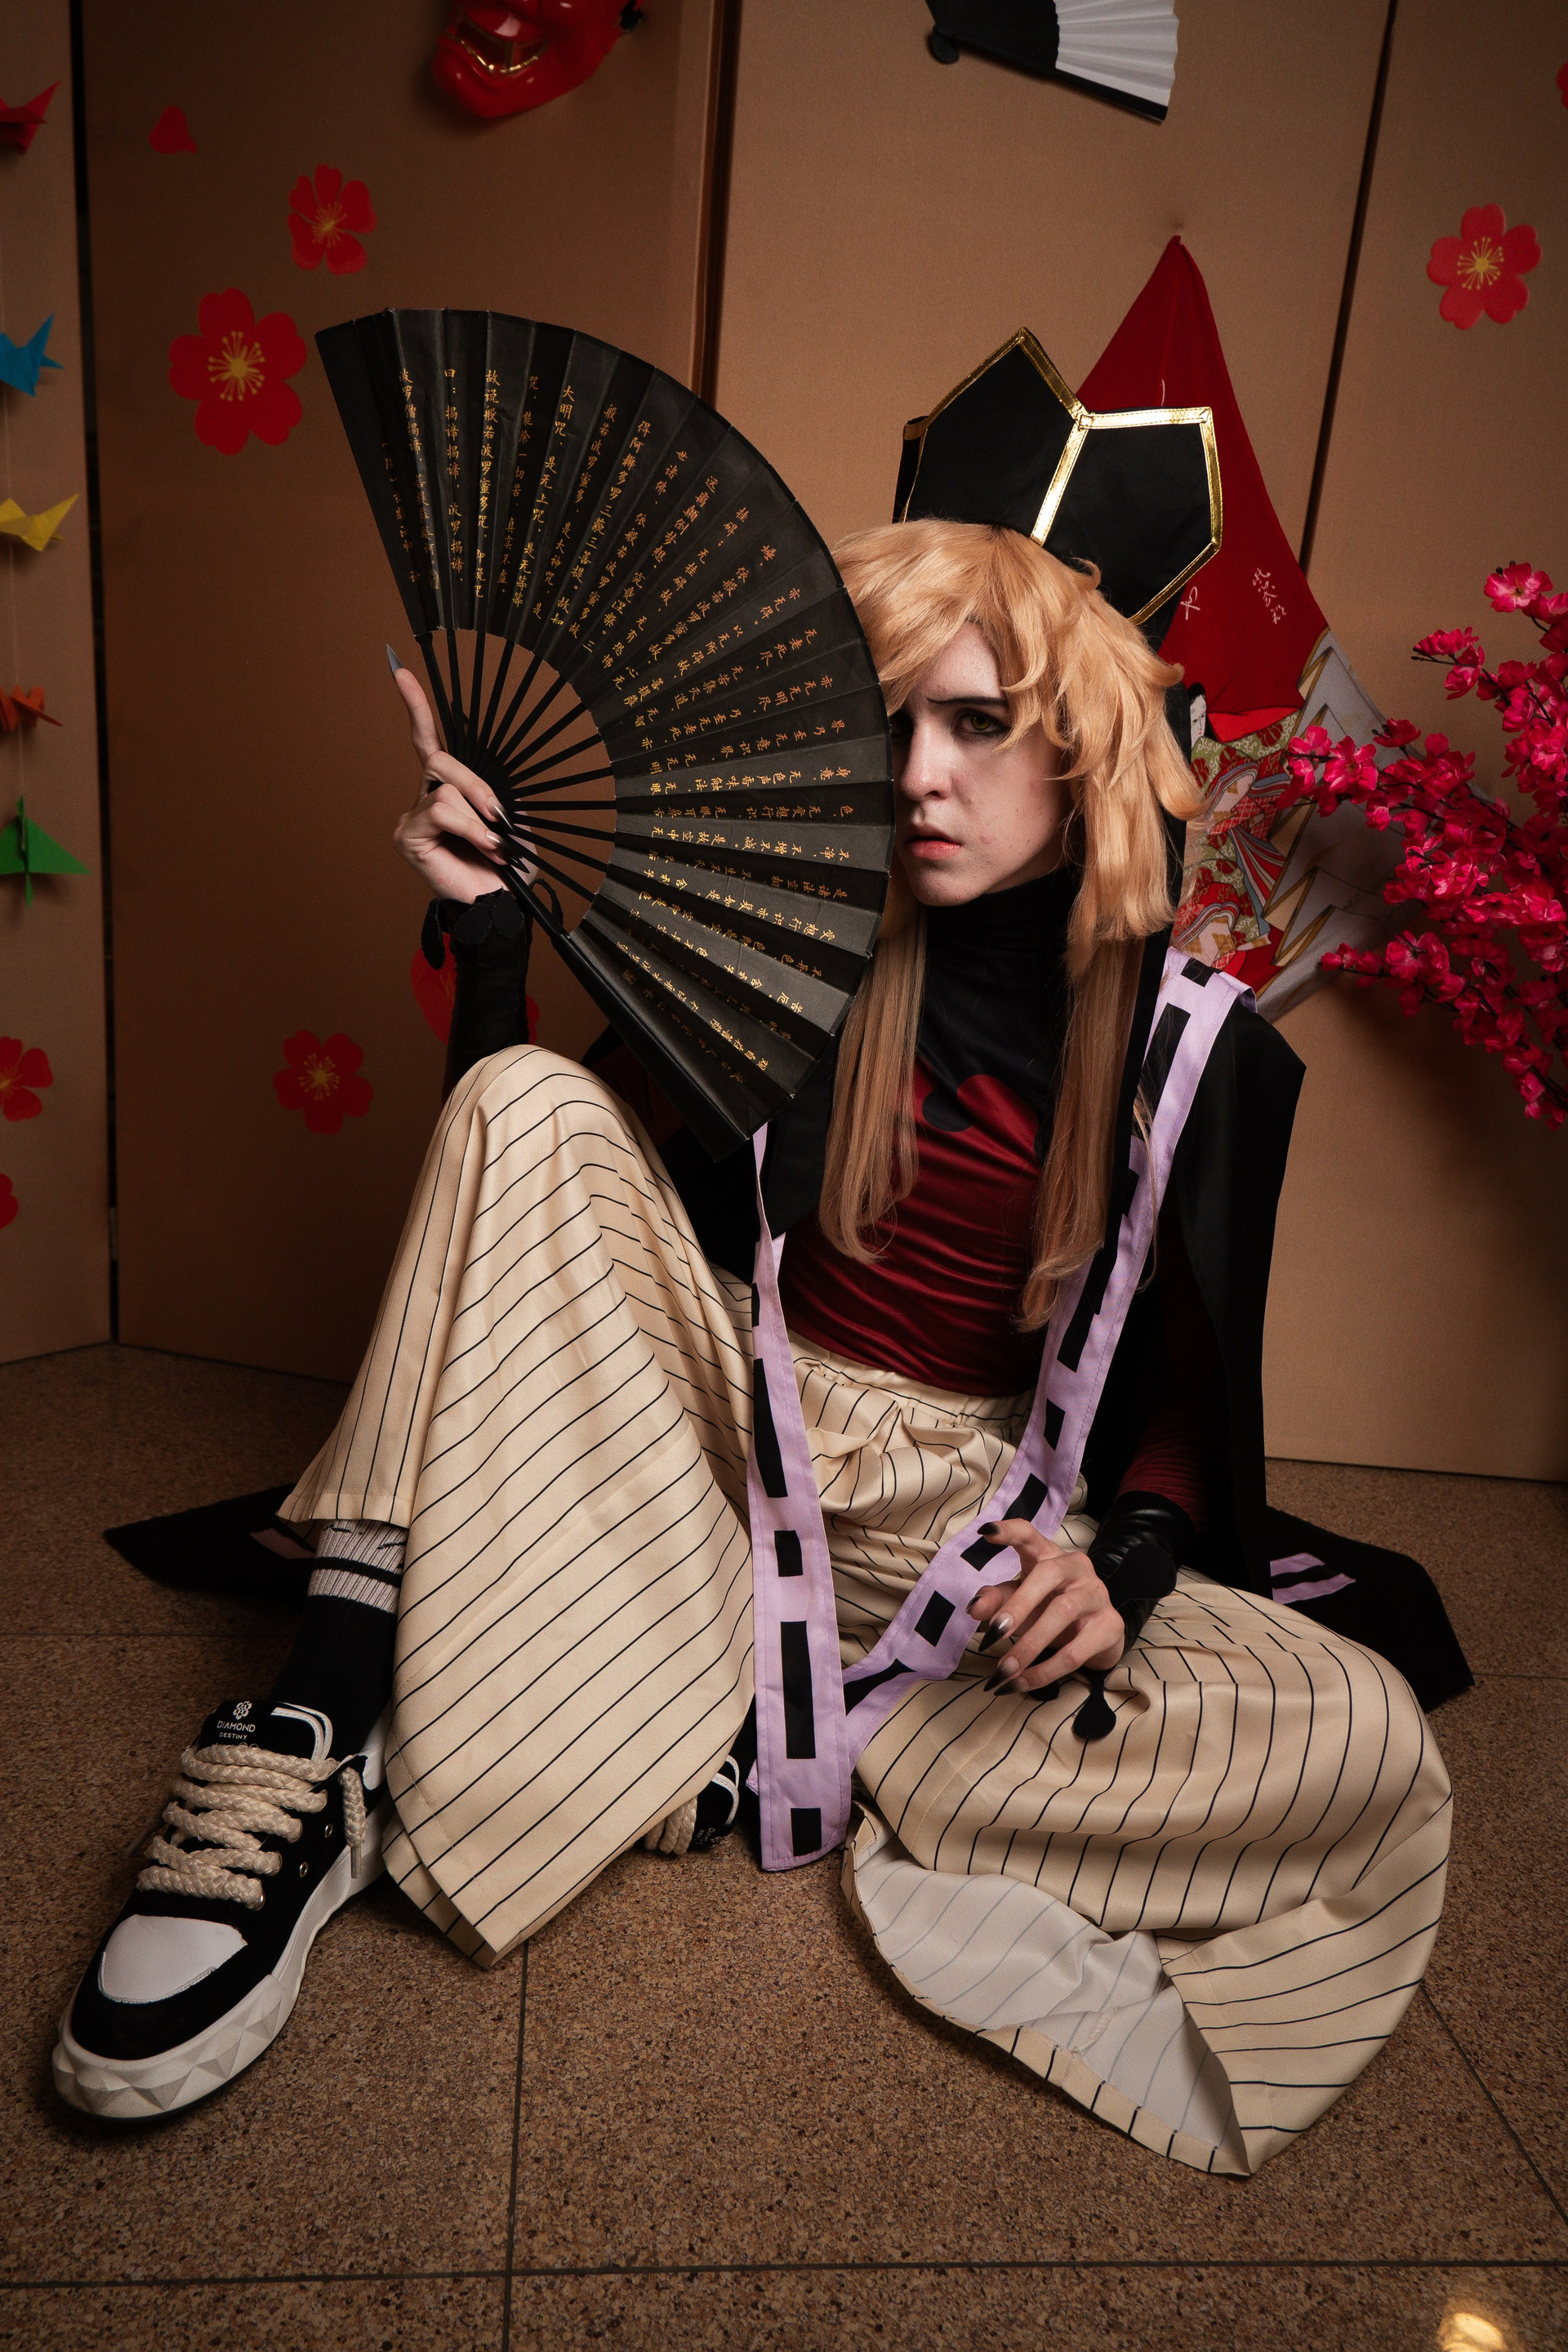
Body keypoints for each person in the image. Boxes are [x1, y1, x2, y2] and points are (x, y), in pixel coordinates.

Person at [55, 518, 1454, 2178]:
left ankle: (711, 1722)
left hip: (962, 1523)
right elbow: (519, 1196)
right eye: (889, 724)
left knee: (1361, 1729)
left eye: (978, 723)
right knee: (531, 1098)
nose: (919, 776)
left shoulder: (1192, 1046)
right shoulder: (789, 945)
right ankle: (323, 1734)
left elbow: (1191, 1398)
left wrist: (1128, 1566)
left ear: (1080, 747)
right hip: (721, 1443)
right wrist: (494, 946)